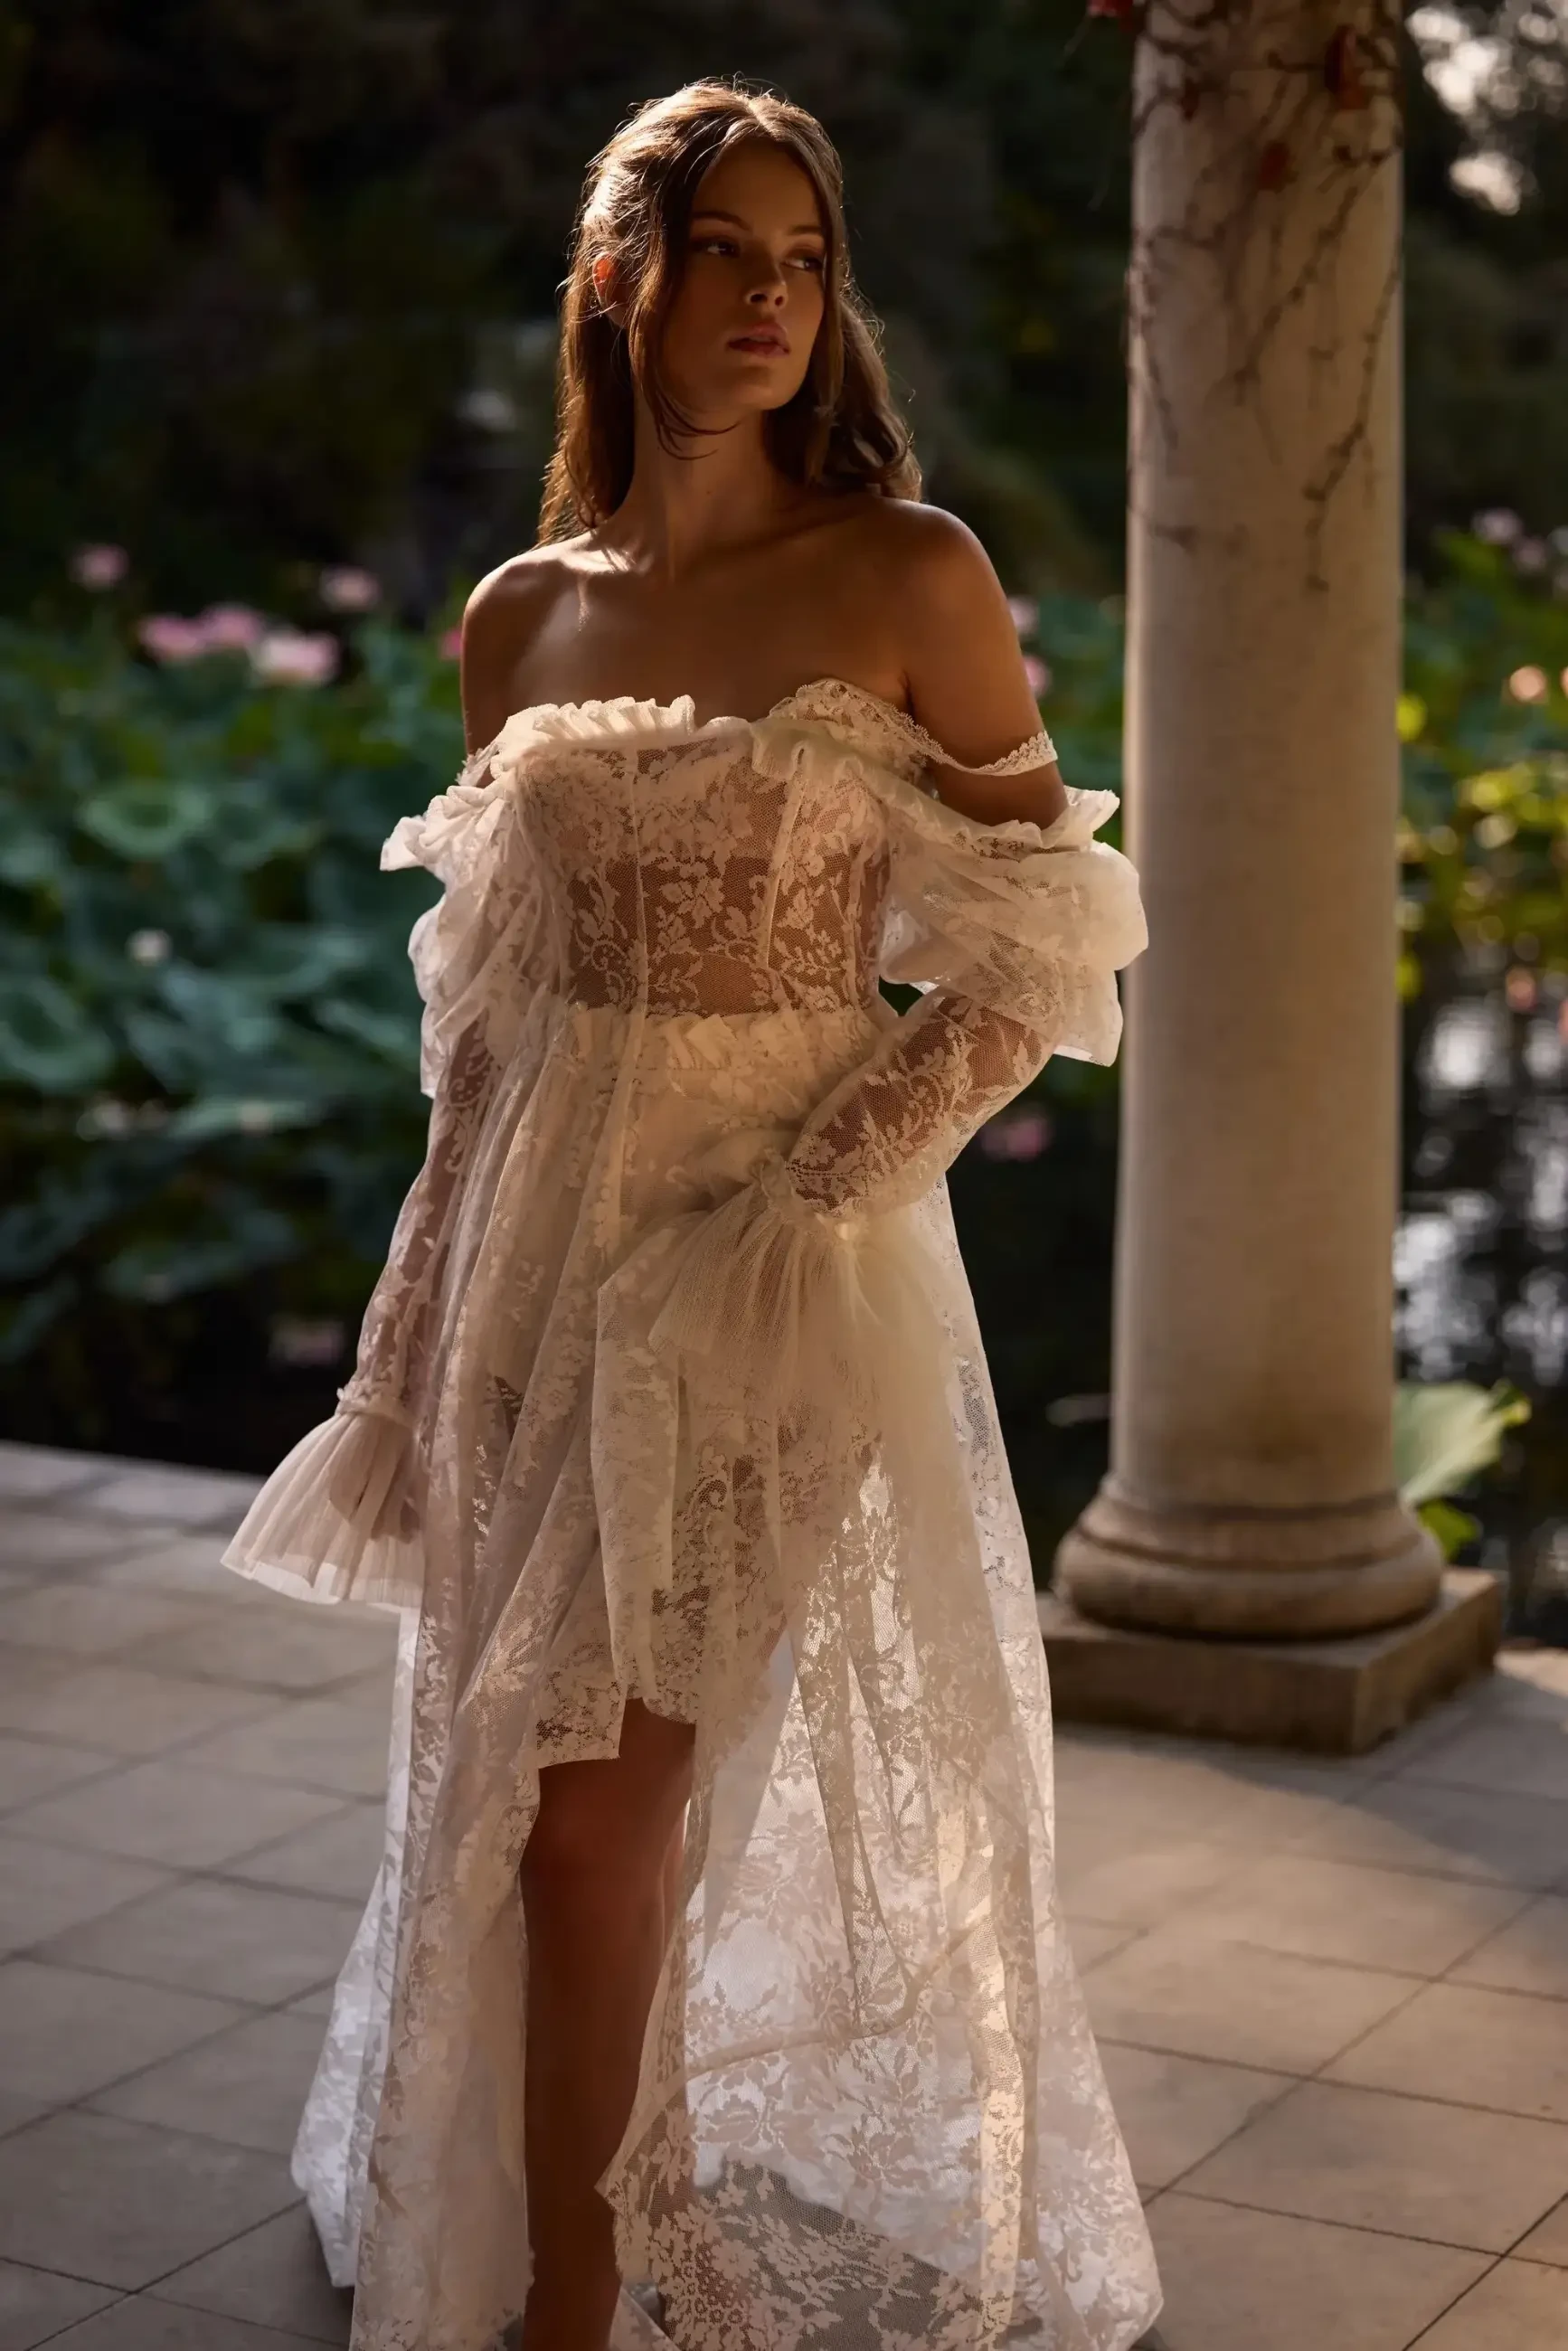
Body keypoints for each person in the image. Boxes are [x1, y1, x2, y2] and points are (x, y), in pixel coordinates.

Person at [225, 76, 1162, 2351]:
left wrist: (815, 1195)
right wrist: (404, 1339)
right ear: (620, 278)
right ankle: (583, 2237)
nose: (768, 299)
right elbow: (485, 1029)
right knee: (527, 1796)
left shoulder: (905, 571)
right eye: (723, 250)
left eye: (805, 259)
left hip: (776, 1264)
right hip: (543, 1241)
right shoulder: (520, 616)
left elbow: (1050, 945)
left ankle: (562, 2305)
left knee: (587, 1801)